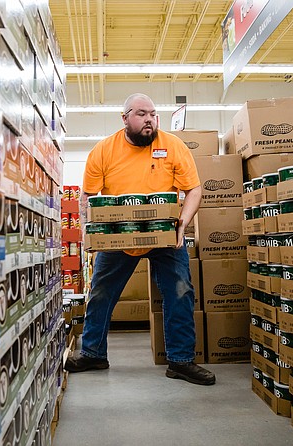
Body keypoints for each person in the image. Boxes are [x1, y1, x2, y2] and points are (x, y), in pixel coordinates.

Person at [64, 93, 215, 386]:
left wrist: (182, 223)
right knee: (100, 293)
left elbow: (194, 189)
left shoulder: (172, 146)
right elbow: (88, 197)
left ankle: (181, 360)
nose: (149, 120)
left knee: (181, 291)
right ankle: (94, 353)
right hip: (119, 237)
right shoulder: (104, 150)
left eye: (153, 114)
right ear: (125, 118)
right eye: (141, 114)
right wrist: (90, 230)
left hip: (164, 235)